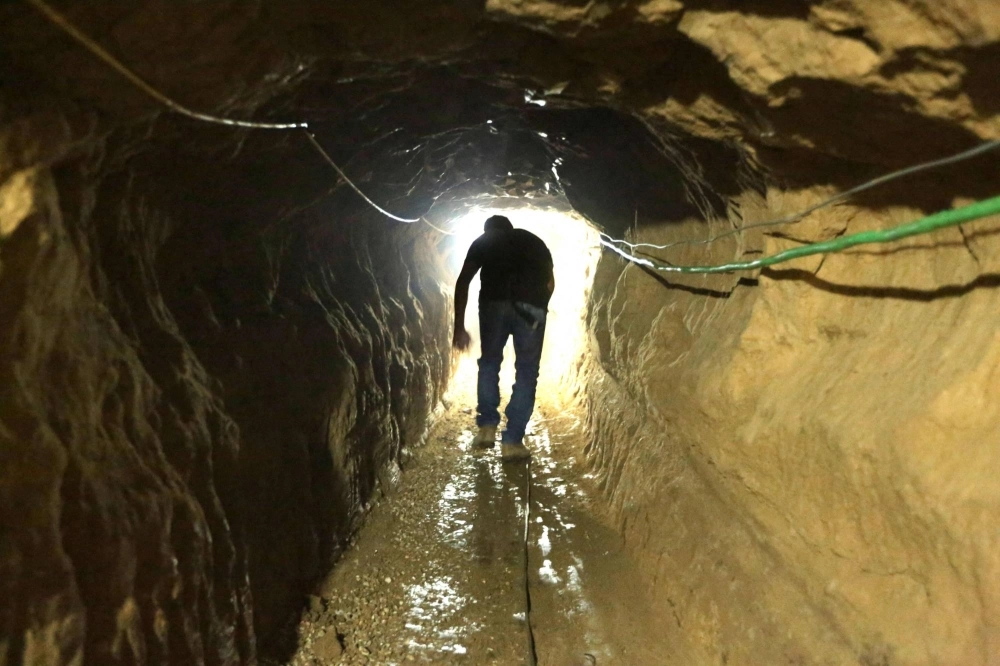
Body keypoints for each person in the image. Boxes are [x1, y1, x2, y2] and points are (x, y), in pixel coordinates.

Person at [452, 215, 554, 462]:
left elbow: (463, 281)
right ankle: (512, 442)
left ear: (489, 230)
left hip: (494, 305)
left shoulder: (485, 241)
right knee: (527, 371)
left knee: (489, 362)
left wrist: (458, 327)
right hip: (531, 306)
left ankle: (487, 427)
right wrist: (539, 308)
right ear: (511, 227)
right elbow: (550, 282)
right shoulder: (534, 241)